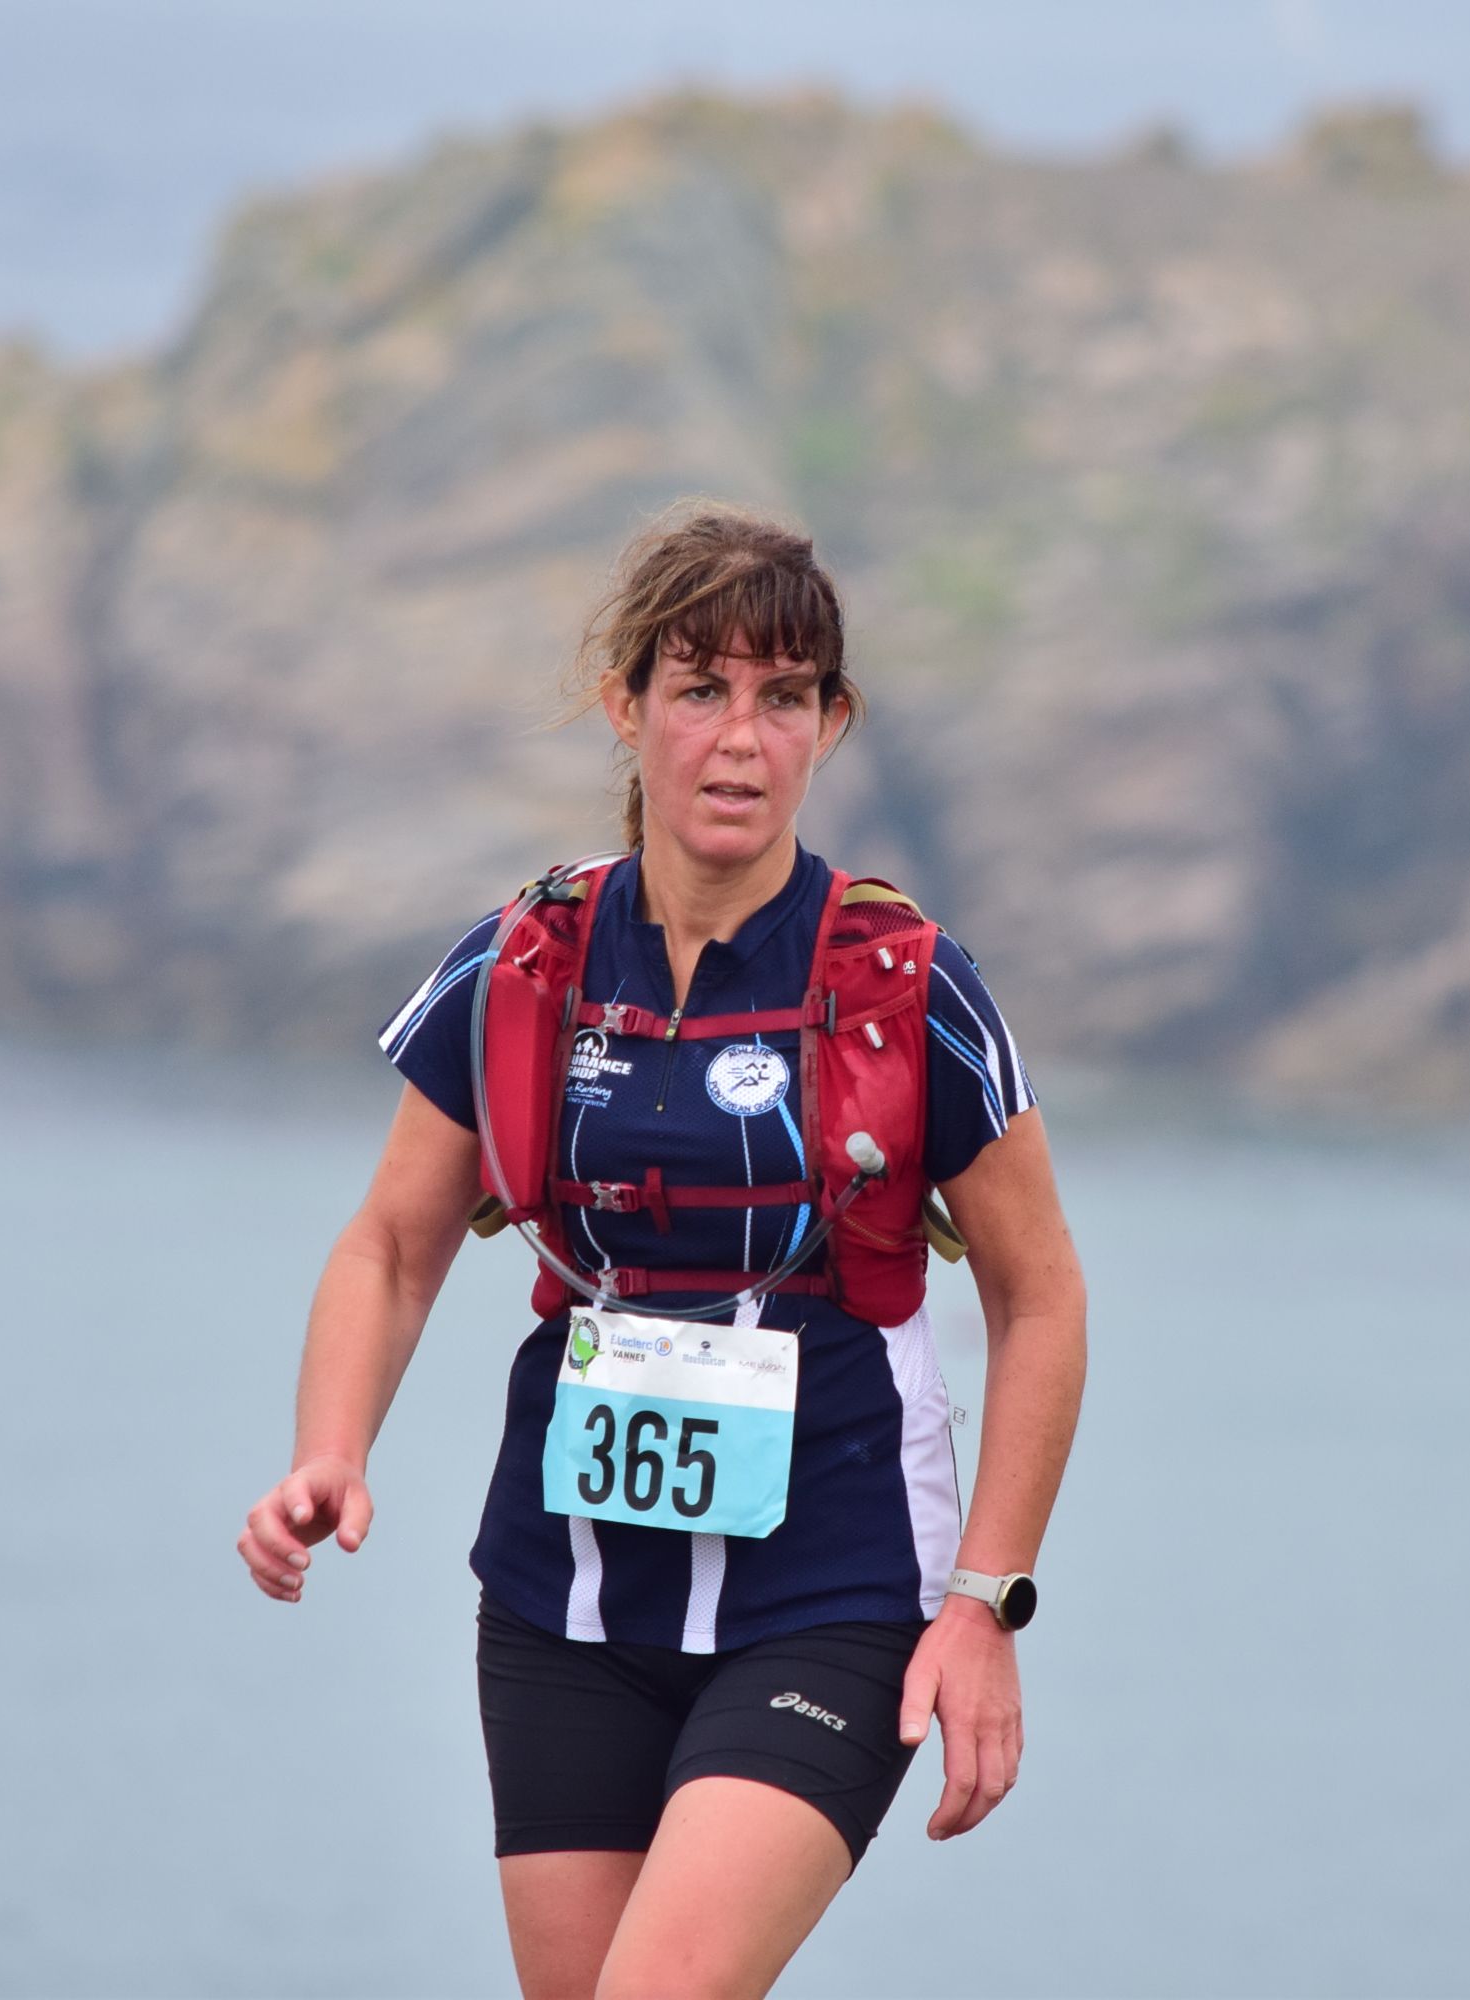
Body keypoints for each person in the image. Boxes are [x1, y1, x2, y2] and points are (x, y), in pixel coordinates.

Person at [239, 508, 1085, 1998]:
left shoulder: (907, 985)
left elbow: (1042, 1297)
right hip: (562, 1605)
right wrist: (329, 1449)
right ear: (626, 708)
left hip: (832, 1594)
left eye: (784, 695)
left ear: (831, 723)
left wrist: (985, 1600)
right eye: (701, 689)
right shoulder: (528, 958)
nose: (741, 739)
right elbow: (391, 1245)